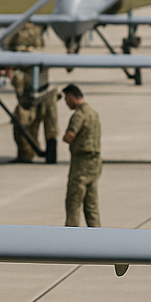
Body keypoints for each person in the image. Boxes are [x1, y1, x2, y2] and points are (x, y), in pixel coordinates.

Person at [5, 22, 58, 163]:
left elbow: (20, 82)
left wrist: (13, 75)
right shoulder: (39, 57)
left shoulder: (32, 60)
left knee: (47, 129)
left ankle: (36, 156)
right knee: (39, 128)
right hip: (34, 98)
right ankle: (30, 155)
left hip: (38, 97)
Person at [61, 84, 100, 226]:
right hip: (94, 164)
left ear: (73, 97)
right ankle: (96, 233)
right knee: (91, 205)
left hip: (80, 164)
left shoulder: (79, 115)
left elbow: (69, 136)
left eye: (67, 99)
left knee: (74, 201)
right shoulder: (93, 113)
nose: (66, 102)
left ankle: (71, 234)